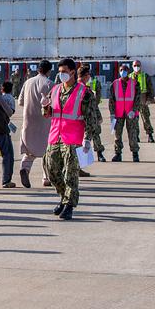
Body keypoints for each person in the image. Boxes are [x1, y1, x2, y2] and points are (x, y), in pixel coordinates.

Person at [43, 58, 101, 220]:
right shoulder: (55, 90)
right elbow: (47, 114)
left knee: (70, 174)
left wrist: (87, 139)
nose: (61, 75)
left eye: (64, 72)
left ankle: (69, 204)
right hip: (55, 136)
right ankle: (63, 197)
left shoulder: (84, 92)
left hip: (73, 138)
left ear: (73, 72)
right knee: (51, 171)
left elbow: (91, 118)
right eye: (59, 72)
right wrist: (44, 106)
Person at [17, 60, 54, 188]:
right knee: (47, 151)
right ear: (49, 71)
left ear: (38, 69)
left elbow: (20, 102)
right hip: (45, 122)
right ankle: (46, 178)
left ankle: (25, 169)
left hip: (28, 121)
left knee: (29, 151)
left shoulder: (27, 82)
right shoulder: (50, 84)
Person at [108, 63, 141, 162]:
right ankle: (118, 153)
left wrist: (134, 110)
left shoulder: (135, 83)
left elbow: (137, 99)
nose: (123, 72)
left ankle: (135, 154)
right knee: (118, 134)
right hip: (118, 113)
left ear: (128, 71)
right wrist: (112, 113)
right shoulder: (114, 84)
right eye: (121, 70)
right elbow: (112, 100)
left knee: (132, 133)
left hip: (130, 113)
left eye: (125, 70)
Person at [78, 66, 106, 163]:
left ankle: (99, 153)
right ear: (85, 75)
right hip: (84, 120)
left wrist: (98, 116)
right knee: (83, 141)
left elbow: (94, 104)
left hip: (91, 118)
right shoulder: (78, 88)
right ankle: (81, 162)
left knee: (95, 135)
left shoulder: (86, 88)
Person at [131, 59, 155, 142]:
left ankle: (150, 135)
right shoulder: (130, 77)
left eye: (138, 65)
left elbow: (150, 88)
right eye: (134, 66)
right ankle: (136, 136)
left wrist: (149, 99)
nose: (136, 67)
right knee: (134, 121)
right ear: (132, 67)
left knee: (146, 119)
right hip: (133, 103)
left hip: (143, 100)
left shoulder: (145, 76)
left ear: (141, 66)